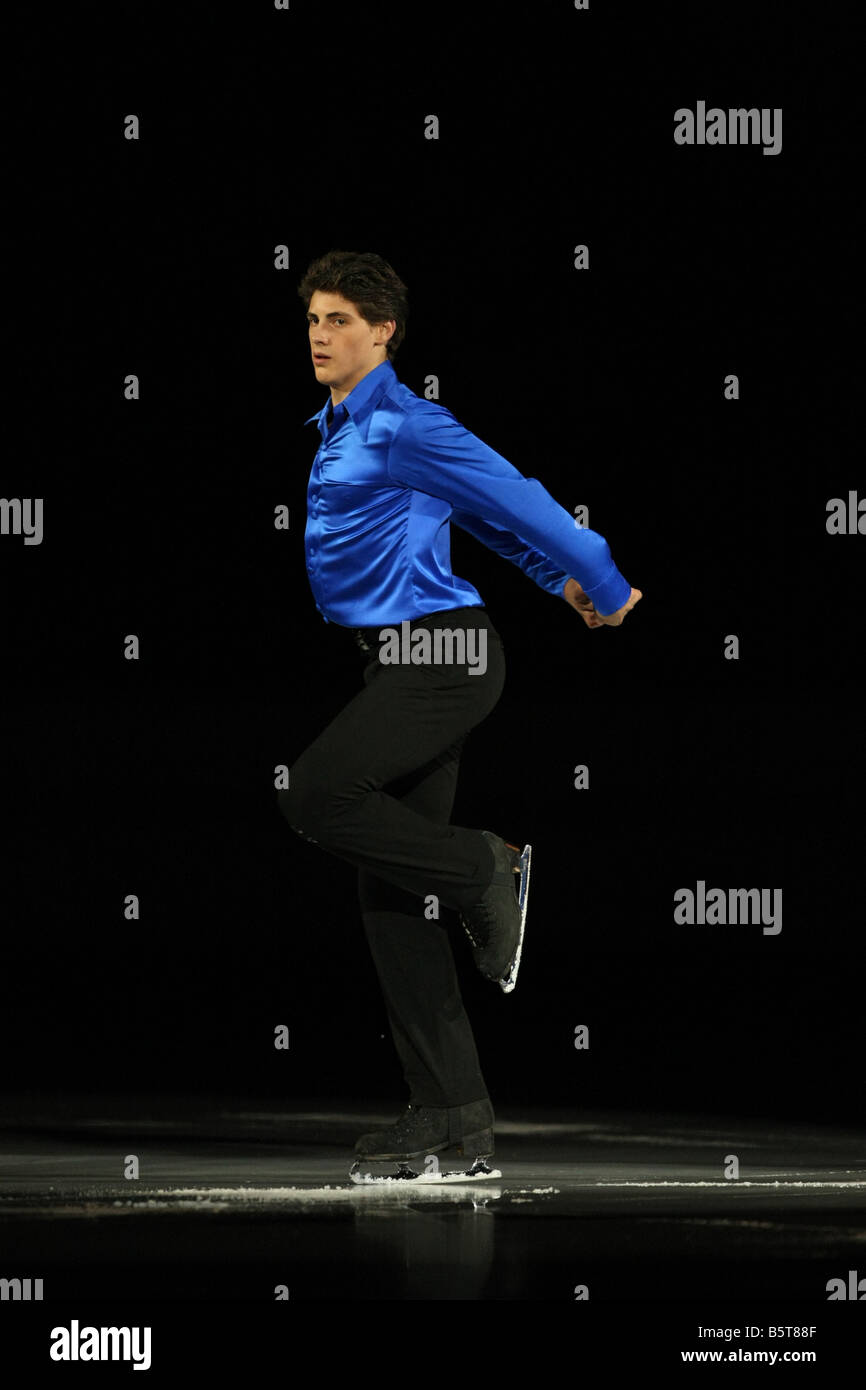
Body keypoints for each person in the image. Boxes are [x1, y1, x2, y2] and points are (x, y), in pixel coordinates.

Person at [278, 249, 642, 1174]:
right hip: (399, 660)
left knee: (316, 795)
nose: (321, 336)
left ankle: (491, 864)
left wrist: (597, 577)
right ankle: (454, 1115)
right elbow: (471, 524)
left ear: (383, 331)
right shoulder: (339, 426)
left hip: (443, 655)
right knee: (391, 895)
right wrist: (549, 581)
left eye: (340, 322)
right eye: (314, 319)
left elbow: (515, 498)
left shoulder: (404, 421)